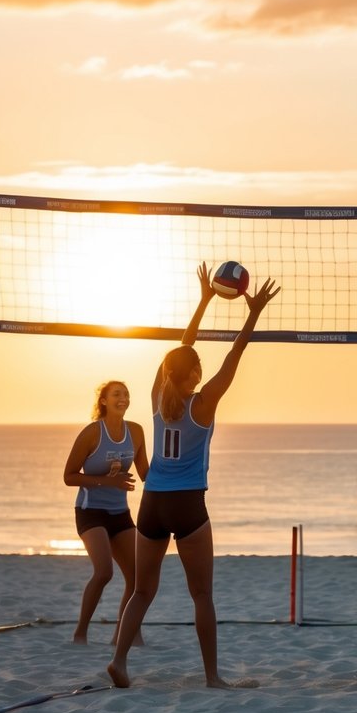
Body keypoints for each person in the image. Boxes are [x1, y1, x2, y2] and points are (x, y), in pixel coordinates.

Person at [107, 262, 280, 689]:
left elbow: (179, 351)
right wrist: (252, 313)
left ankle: (120, 660)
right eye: (197, 367)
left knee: (141, 592)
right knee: (201, 595)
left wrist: (202, 302)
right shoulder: (202, 404)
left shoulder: (155, 394)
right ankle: (212, 677)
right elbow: (234, 356)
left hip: (151, 504)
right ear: (194, 376)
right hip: (188, 504)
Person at [63, 381, 148, 644]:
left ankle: (125, 635)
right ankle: (80, 633)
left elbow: (145, 473)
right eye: (116, 394)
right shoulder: (92, 433)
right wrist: (109, 481)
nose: (123, 398)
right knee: (104, 572)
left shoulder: (135, 431)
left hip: (120, 513)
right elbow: (69, 476)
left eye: (126, 394)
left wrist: (174, 476)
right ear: (103, 401)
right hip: (91, 512)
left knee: (138, 578)